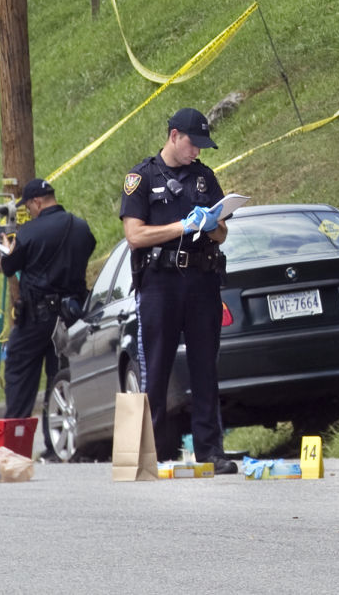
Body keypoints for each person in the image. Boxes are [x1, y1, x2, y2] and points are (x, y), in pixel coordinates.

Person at [120, 107, 238, 472]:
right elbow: (135, 235)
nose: (197, 152)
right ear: (174, 136)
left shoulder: (204, 178)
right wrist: (182, 227)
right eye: (193, 144)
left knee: (206, 366)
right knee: (155, 368)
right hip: (160, 284)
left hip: (201, 282)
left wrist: (211, 224)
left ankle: (210, 451)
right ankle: (145, 456)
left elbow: (222, 232)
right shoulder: (141, 178)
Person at [0, 179, 96, 444]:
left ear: (37, 202)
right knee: (59, 379)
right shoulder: (80, 227)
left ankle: (15, 444)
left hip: (35, 318)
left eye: (28, 207)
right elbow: (89, 248)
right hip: (69, 318)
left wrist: (4, 245)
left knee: (19, 374)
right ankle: (57, 445)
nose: (29, 212)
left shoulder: (29, 232)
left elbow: (8, 267)